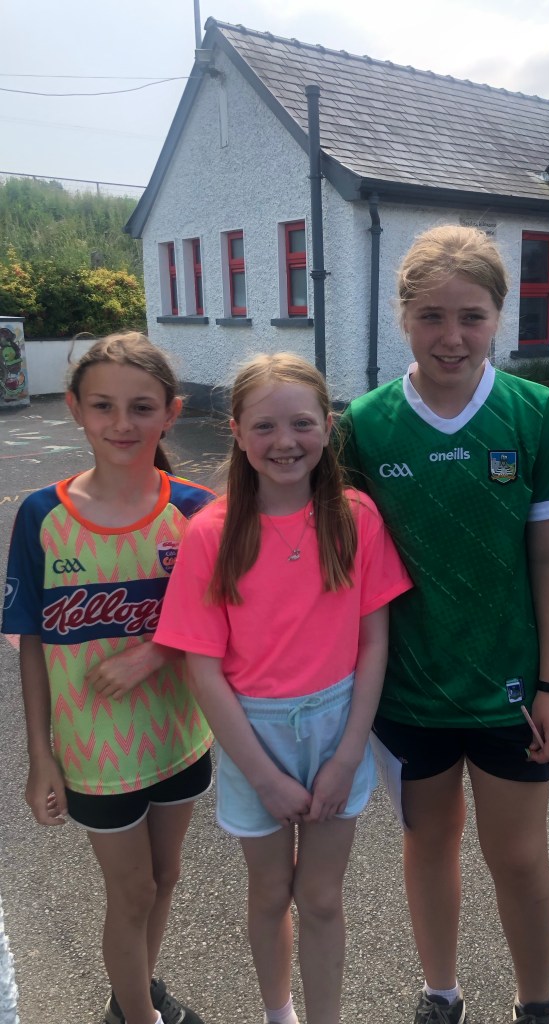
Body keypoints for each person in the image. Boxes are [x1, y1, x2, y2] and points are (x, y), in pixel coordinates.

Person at [339, 224, 549, 1024]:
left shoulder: (534, 412)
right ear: (402, 317)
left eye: (472, 317)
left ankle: (534, 1002)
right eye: (431, 316)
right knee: (429, 843)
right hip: (408, 692)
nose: (452, 336)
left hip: (512, 691)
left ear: (498, 318)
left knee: (516, 857)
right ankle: (441, 992)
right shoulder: (365, 424)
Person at [154, 352, 412, 1024]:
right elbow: (203, 668)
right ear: (237, 432)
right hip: (252, 734)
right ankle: (279, 1013)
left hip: (338, 727)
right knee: (270, 893)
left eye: (301, 423)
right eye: (264, 426)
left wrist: (348, 756)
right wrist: (264, 777)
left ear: (327, 426)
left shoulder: (356, 516)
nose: (285, 441)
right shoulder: (211, 533)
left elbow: (374, 642)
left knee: (321, 897)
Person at [1, 332, 216, 1024]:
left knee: (165, 877)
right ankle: (138, 1014)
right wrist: (41, 756)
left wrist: (154, 652)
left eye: (141, 407)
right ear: (74, 408)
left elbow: (223, 619)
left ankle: (133, 997)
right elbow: (32, 643)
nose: (122, 423)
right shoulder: (42, 515)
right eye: (103, 406)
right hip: (94, 754)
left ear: (171, 413)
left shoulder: (196, 511)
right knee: (131, 893)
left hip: (180, 735)